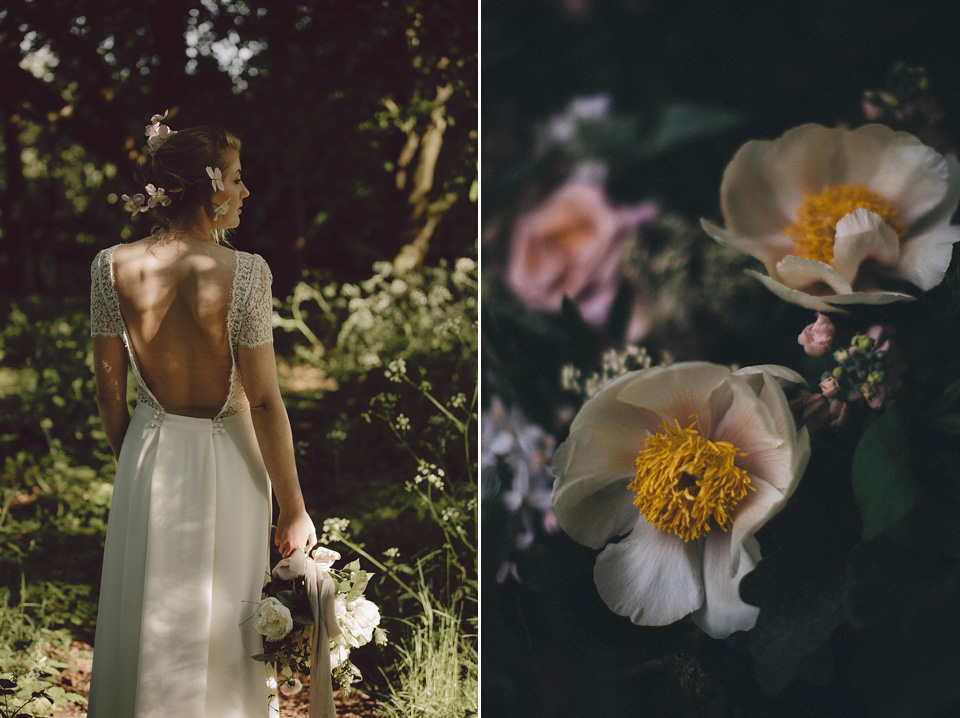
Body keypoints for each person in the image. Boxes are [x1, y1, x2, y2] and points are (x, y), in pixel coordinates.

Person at [87, 116, 316, 717]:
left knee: (150, 609)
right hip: (232, 459)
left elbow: (110, 393)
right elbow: (264, 400)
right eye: (236, 180)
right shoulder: (246, 273)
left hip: (150, 454)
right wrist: (293, 509)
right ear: (205, 188)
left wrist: (135, 459)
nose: (245, 192)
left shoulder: (111, 267)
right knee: (224, 619)